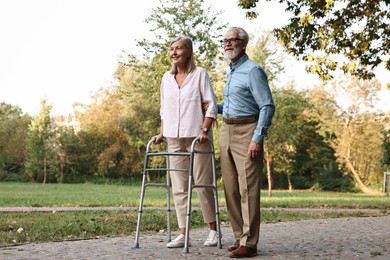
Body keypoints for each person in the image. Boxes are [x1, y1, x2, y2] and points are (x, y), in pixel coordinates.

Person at [154, 36, 219, 248]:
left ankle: (213, 231)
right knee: (179, 187)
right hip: (174, 138)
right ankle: (184, 233)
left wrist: (204, 129)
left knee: (203, 184)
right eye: (171, 49)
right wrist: (162, 132)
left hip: (197, 138)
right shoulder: (166, 78)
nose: (173, 53)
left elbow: (211, 105)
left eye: (178, 49)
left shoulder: (200, 75)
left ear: (188, 52)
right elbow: (165, 109)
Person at [217, 27, 275, 258]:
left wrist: (257, 138)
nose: (228, 44)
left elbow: (267, 106)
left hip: (247, 131)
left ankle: (250, 243)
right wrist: (214, 108)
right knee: (230, 188)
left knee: (247, 188)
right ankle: (240, 235)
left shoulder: (253, 71)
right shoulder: (231, 72)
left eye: (233, 40)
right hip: (227, 129)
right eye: (225, 41)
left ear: (244, 43)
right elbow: (234, 105)